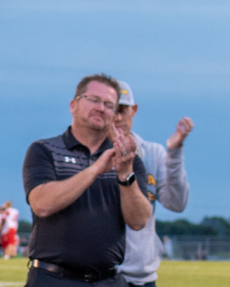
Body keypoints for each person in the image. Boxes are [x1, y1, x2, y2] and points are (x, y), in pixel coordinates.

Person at [23, 74, 153, 286]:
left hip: (108, 279)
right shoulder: (44, 150)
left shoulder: (127, 159)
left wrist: (125, 176)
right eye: (93, 100)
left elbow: (139, 221)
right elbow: (42, 204)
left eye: (109, 105)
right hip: (54, 278)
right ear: (73, 105)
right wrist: (94, 170)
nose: (101, 108)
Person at [113, 81, 193, 287]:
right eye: (112, 109)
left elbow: (176, 203)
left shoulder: (152, 153)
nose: (118, 117)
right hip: (102, 275)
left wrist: (174, 153)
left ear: (135, 110)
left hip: (143, 278)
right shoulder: (91, 154)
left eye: (123, 110)